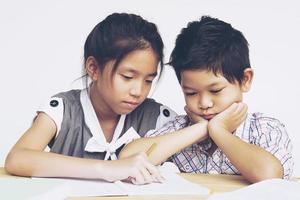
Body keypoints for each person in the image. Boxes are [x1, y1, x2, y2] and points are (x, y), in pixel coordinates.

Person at [4, 13, 177, 185]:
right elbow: (17, 158)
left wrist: (200, 126)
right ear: (93, 68)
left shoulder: (158, 117)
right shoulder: (63, 110)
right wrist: (107, 169)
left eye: (148, 81)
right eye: (127, 77)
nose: (138, 91)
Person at [119, 16, 294, 183]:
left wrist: (220, 132)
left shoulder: (264, 129)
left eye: (215, 90)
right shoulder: (178, 129)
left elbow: (271, 176)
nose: (204, 104)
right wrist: (203, 129)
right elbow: (127, 161)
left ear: (245, 80)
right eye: (191, 93)